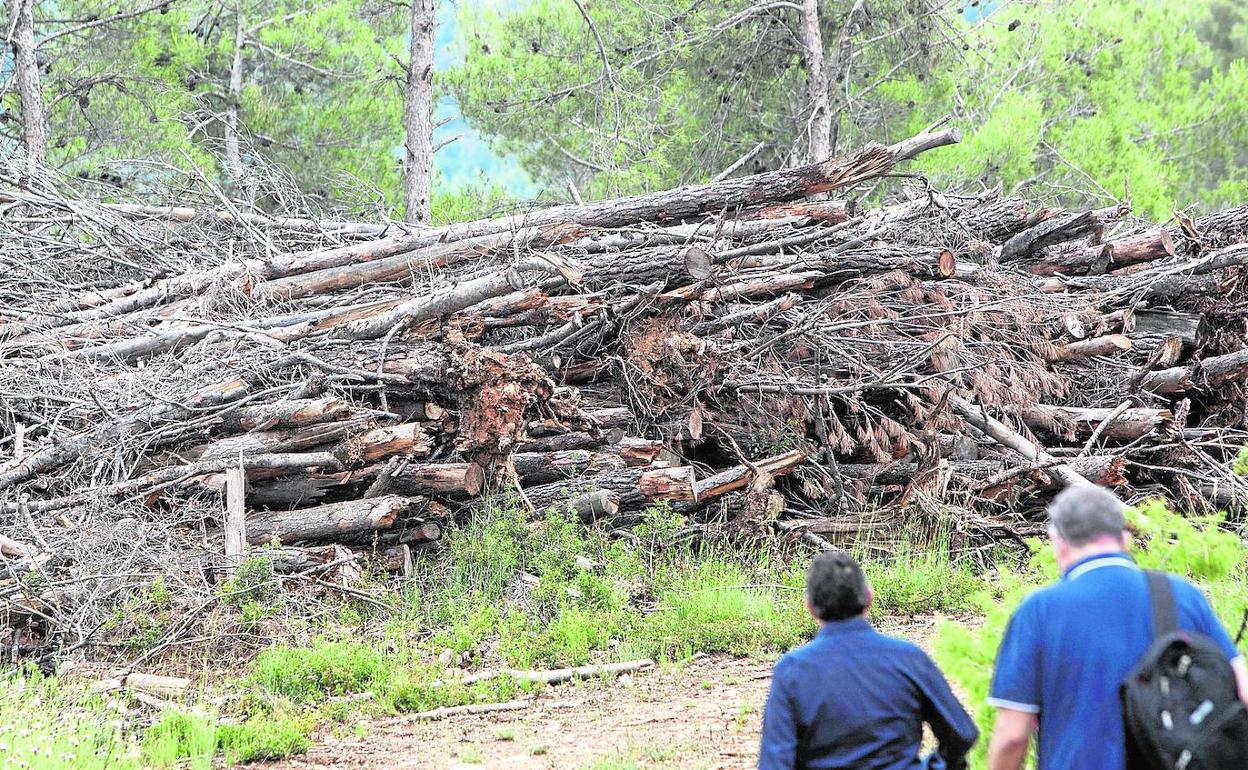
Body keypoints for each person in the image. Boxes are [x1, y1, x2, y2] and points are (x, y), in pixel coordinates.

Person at [987, 484, 1248, 770]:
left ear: (1057, 542)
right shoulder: (1182, 595)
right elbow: (1242, 691)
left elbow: (1012, 737)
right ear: (1125, 538)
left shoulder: (1039, 610)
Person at [759, 551, 978, 770]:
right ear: (869, 597)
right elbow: (962, 733)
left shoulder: (792, 671)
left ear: (810, 607)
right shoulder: (908, 657)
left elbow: (775, 763)